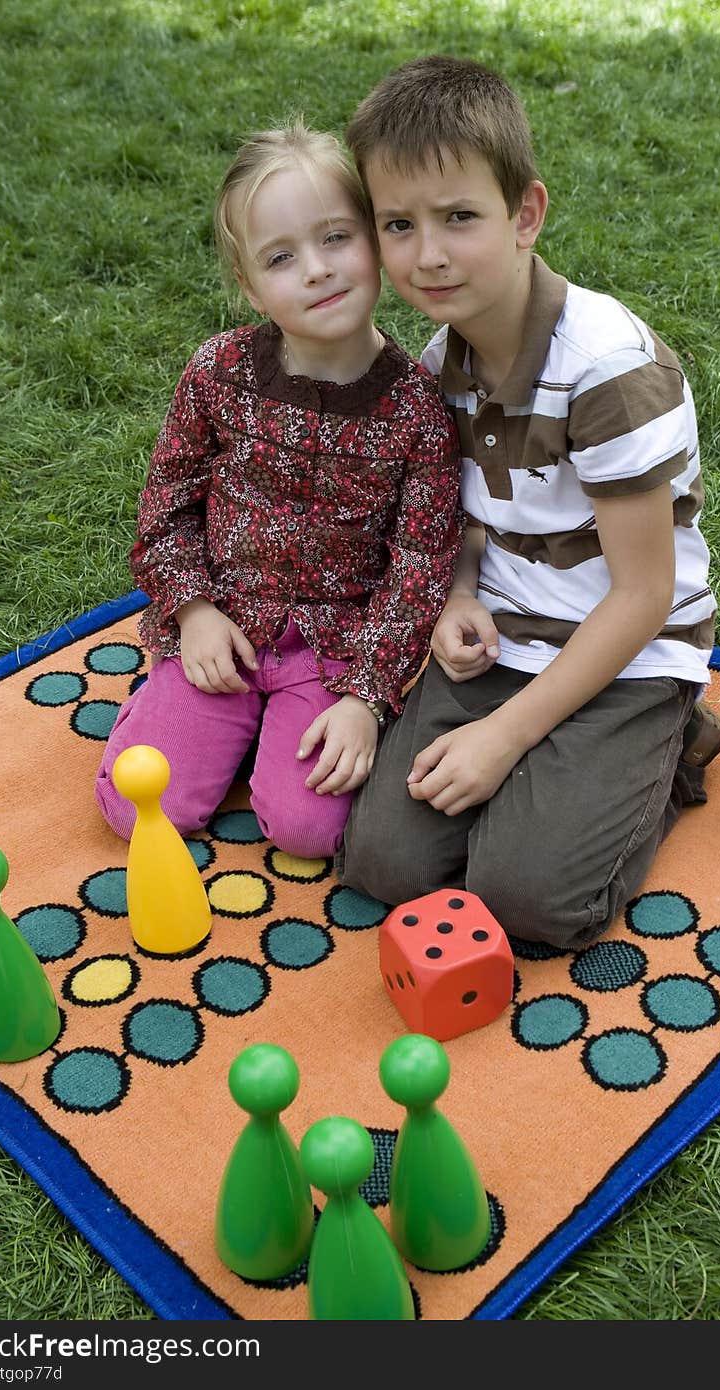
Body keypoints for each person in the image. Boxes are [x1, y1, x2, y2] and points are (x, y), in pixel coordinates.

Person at [335, 56, 720, 950]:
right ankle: (553, 775)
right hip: (505, 635)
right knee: (380, 864)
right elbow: (469, 515)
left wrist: (507, 737)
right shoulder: (439, 365)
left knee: (530, 904)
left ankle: (669, 749)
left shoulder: (608, 372)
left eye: (459, 218)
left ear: (525, 215)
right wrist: (461, 592)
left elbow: (642, 595)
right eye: (399, 224)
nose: (428, 253)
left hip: (626, 652)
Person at [95, 119, 464, 859]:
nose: (319, 270)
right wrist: (192, 611)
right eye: (281, 257)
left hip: (333, 650)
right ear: (250, 285)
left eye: (336, 238)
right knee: (139, 807)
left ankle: (285, 732)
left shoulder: (419, 411)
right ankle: (181, 705)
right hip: (221, 632)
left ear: (373, 240)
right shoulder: (218, 373)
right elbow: (165, 508)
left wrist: (364, 696)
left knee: (309, 830)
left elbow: (419, 571)